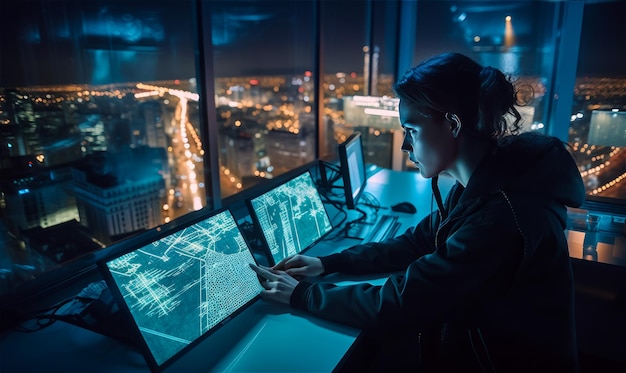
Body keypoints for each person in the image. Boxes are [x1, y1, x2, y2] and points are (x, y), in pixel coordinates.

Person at [250, 52, 585, 372]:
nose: (405, 146)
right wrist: (329, 264)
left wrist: (301, 294)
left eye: (411, 130)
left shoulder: (500, 218)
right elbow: (417, 242)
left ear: (453, 124)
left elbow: (402, 305)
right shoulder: (485, 185)